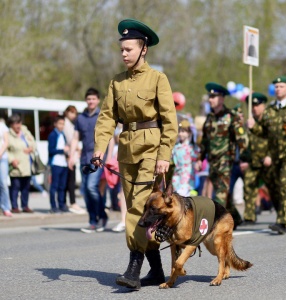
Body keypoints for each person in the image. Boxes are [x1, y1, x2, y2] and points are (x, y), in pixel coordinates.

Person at [93, 19, 178, 289]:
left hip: (152, 152)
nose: (124, 54)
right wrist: (98, 150)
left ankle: (133, 267)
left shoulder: (157, 79)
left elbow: (170, 121)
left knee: (137, 210)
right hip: (126, 150)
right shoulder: (116, 83)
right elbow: (107, 118)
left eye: (129, 49)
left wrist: (164, 155)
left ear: (144, 50)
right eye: (122, 50)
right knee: (139, 210)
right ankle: (156, 271)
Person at [247, 76, 286, 234]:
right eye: (276, 87)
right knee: (280, 187)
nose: (278, 89)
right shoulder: (269, 111)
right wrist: (253, 127)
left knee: (285, 185)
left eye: (281, 86)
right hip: (275, 155)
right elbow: (263, 133)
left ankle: (282, 222)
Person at [197, 82, 248, 228]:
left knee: (220, 193)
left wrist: (244, 158)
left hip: (226, 161)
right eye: (210, 96)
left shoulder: (231, 116)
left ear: (222, 98)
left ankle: (216, 225)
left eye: (214, 96)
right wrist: (200, 158)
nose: (211, 99)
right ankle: (236, 218)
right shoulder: (210, 118)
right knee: (226, 196)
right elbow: (205, 142)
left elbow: (241, 139)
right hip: (213, 162)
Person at [69, 87, 108, 233]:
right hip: (84, 159)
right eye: (88, 99)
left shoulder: (102, 116)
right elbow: (75, 138)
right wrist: (71, 156)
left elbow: (108, 138)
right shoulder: (81, 118)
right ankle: (93, 221)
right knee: (85, 190)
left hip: (98, 159)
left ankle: (102, 216)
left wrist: (108, 157)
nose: (91, 101)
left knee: (92, 188)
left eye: (93, 99)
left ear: (98, 100)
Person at [239, 92, 272, 224]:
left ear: (263, 105)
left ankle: (285, 216)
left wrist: (270, 156)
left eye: (257, 105)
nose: (254, 108)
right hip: (253, 161)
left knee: (275, 189)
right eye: (252, 105)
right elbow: (245, 144)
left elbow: (274, 140)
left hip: (267, 160)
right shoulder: (249, 123)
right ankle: (249, 216)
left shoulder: (269, 120)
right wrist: (244, 159)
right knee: (248, 187)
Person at [7, 114, 35, 213]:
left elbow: (33, 142)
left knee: (26, 187)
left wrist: (31, 148)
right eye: (15, 123)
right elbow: (6, 150)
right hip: (16, 165)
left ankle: (25, 205)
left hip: (27, 163)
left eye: (19, 123)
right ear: (11, 125)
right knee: (15, 187)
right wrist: (11, 160)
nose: (18, 125)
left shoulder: (25, 132)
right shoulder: (8, 135)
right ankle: (14, 206)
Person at [63, 105, 85, 214]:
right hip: (69, 155)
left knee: (70, 180)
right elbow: (71, 140)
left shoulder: (70, 123)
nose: (73, 115)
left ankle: (69, 202)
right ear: (66, 112)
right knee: (70, 181)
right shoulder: (66, 124)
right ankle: (72, 202)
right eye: (71, 112)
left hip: (72, 154)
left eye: (75, 113)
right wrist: (77, 147)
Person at [172, 119, 199, 196]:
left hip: (187, 177)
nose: (180, 134)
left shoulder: (193, 147)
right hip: (176, 176)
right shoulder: (175, 147)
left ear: (189, 133)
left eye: (183, 131)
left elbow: (195, 161)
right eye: (179, 131)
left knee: (184, 196)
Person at [48, 115, 69, 213]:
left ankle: (62, 205)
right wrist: (62, 150)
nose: (62, 126)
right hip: (56, 163)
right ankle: (53, 206)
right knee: (54, 186)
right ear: (55, 124)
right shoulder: (53, 135)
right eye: (60, 123)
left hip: (63, 163)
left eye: (63, 124)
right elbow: (51, 150)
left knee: (62, 186)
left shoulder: (62, 134)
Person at [0, 118, 12, 217]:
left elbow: (6, 142)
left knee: (3, 183)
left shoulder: (2, 126)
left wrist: (0, 153)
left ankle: (6, 207)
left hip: (2, 158)